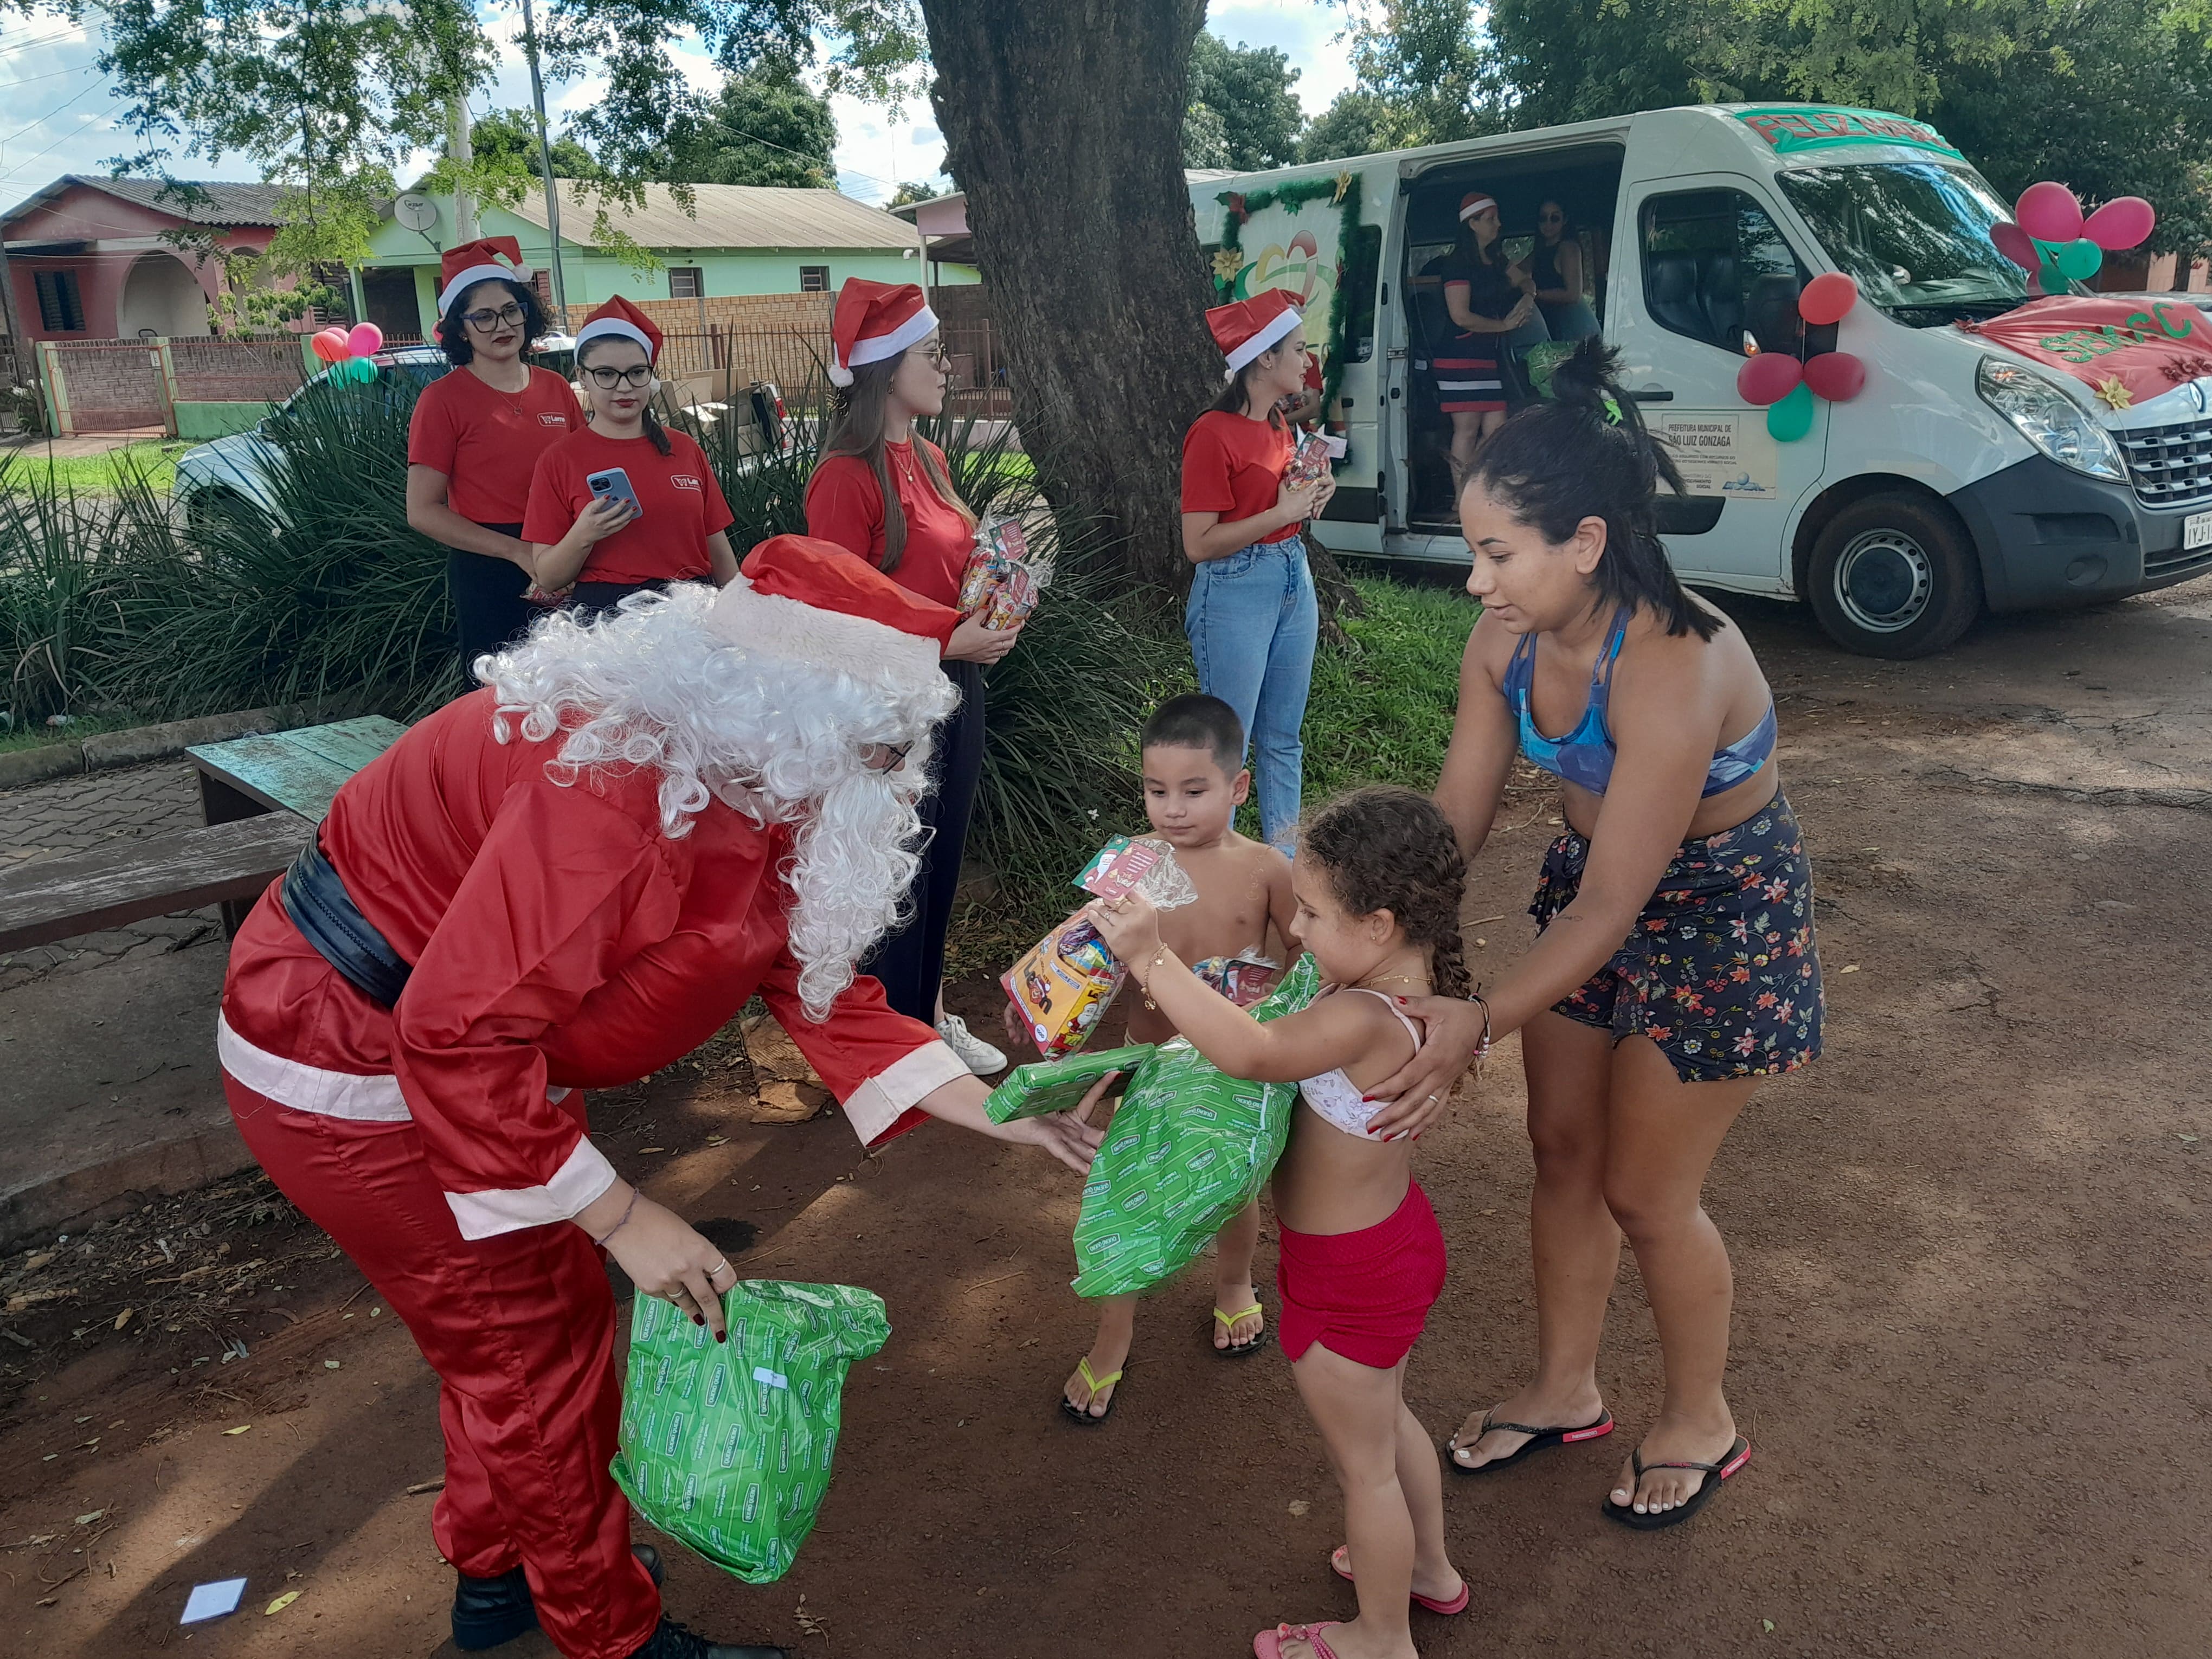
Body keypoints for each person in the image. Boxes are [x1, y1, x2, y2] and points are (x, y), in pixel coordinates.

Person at [215, 536, 1102, 1659]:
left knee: (527, 1335)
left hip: (475, 1057)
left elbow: (814, 981)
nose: (900, 771)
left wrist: (998, 1111)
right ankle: (608, 1636)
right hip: (350, 1057)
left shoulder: (747, 764)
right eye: (880, 742)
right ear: (791, 709)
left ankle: (498, 1577)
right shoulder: (615, 791)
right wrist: (625, 1215)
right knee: (530, 1347)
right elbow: (457, 1036)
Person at [1359, 339, 1824, 1531]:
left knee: (1647, 1192)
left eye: (1498, 554)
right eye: (1474, 552)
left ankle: (1702, 1419)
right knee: (1561, 1149)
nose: (1477, 582)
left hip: (1720, 912)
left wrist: (1475, 1022)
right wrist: (1367, 928)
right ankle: (1567, 1390)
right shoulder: (1507, 641)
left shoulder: (1678, 660)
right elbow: (1455, 823)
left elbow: (1620, 905)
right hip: (1592, 884)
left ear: (1585, 543)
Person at [1089, 786, 1471, 1659]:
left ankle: (1382, 1637)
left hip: (1349, 1274)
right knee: (1388, 1425)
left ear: (1379, 924)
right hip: (1389, 1244)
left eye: (1311, 913)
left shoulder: (1359, 1015)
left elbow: (1254, 1053)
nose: (1295, 929)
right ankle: (1428, 1571)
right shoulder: (1405, 992)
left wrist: (1151, 957)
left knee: (1364, 1469)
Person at [1046, 693, 1299, 1423]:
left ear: (1238, 787)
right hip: (1147, 1058)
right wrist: (1043, 992)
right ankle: (1113, 1336)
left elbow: (1307, 955)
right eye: (1157, 791)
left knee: (1233, 1187)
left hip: (1228, 1066)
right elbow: (1081, 951)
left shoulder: (1267, 869)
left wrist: (1283, 1007)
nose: (1173, 809)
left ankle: (1234, 1282)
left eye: (1194, 790)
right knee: (1126, 1191)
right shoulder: (1129, 864)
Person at [805, 277, 1020, 1076]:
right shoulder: (844, 476)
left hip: (955, 685)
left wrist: (993, 603)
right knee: (892, 872)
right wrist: (947, 641)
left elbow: (942, 574)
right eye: (933, 352)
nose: (948, 365)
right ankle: (892, 1043)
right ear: (887, 367)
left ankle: (922, 1016)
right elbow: (835, 621)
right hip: (887, 705)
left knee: (938, 857)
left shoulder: (927, 457)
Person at [1181, 290, 1337, 852]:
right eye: (1299, 349)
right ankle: (1217, 871)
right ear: (1264, 358)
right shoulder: (1211, 433)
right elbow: (1198, 545)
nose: (1307, 361)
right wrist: (1280, 513)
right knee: (1229, 745)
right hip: (1235, 589)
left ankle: (1285, 869)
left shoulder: (1278, 423)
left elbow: (1283, 497)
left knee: (1283, 738)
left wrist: (1315, 491)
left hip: (1292, 573)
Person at [406, 237, 585, 674]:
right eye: (483, 316)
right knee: (498, 693)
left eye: (510, 310)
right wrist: (516, 551)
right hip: (488, 567)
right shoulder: (442, 400)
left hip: (565, 555)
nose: (501, 325)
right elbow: (422, 511)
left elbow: (584, 472)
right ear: (460, 329)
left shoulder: (556, 388)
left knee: (575, 686)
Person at [524, 297, 740, 619]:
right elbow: (549, 577)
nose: (624, 387)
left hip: (692, 611)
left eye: (637, 372)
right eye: (606, 374)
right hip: (608, 618)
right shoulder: (559, 459)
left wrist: (740, 612)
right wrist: (584, 534)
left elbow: (718, 551)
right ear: (582, 376)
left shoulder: (684, 448)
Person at [1417, 192, 1544, 473]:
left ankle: (1476, 484)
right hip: (1458, 358)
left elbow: (1526, 281)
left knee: (1498, 430)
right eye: (1490, 219)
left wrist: (1528, 297)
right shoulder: (1457, 265)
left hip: (1487, 357)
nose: (1498, 224)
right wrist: (1505, 326)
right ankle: (1462, 493)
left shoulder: (1498, 260)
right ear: (1472, 224)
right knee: (1467, 430)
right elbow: (1461, 316)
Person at [1531, 201, 1599, 342]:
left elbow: (1573, 295)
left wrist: (1533, 294)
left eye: (1555, 218)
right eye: (1543, 218)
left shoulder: (1569, 248)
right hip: (1556, 327)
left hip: (1575, 328)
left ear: (1565, 220)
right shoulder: (1539, 253)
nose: (1548, 223)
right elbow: (1514, 273)